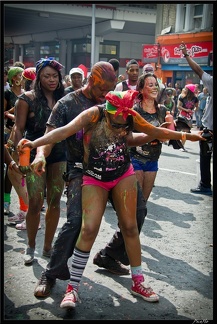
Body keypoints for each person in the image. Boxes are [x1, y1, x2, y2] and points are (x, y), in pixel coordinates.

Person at [18, 89, 204, 309]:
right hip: (93, 176)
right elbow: (63, 131)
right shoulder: (93, 114)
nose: (116, 116)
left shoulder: (130, 116)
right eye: (112, 111)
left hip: (122, 174)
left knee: (130, 226)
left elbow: (152, 131)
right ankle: (72, 289)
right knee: (88, 229)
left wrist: (187, 136)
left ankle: (138, 282)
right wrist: (35, 144)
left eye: (120, 113)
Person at [26, 62, 146, 298]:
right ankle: (50, 274)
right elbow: (51, 136)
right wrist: (40, 154)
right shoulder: (67, 104)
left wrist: (154, 134)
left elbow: (128, 135)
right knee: (76, 221)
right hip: (82, 171)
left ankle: (109, 255)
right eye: (102, 89)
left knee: (139, 212)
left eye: (109, 89)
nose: (105, 95)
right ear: (90, 80)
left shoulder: (112, 102)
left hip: (117, 168)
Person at [11, 57, 66, 261]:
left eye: (55, 76)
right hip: (34, 154)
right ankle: (31, 246)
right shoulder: (26, 99)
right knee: (35, 203)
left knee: (54, 202)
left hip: (60, 154)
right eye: (46, 76)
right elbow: (18, 128)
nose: (52, 80)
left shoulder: (65, 98)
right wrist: (20, 156)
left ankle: (48, 247)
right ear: (38, 78)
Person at [180, 42, 213, 195]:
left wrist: (186, 55)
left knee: (206, 157)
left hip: (210, 129)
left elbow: (198, 70)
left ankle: (205, 185)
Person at [4, 66, 25, 215]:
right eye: (19, 75)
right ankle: (6, 202)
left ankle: (24, 205)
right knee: (9, 169)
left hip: (24, 136)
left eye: (22, 75)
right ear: (13, 78)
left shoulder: (25, 94)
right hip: (8, 134)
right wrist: (14, 116)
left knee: (21, 170)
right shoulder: (7, 93)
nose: (21, 78)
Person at [176, 83, 199, 151]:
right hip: (182, 115)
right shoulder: (182, 97)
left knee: (185, 131)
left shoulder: (195, 99)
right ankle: (177, 142)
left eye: (186, 88)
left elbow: (197, 107)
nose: (184, 89)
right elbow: (178, 106)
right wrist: (186, 110)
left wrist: (193, 110)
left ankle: (182, 146)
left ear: (189, 90)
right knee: (180, 131)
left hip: (189, 117)